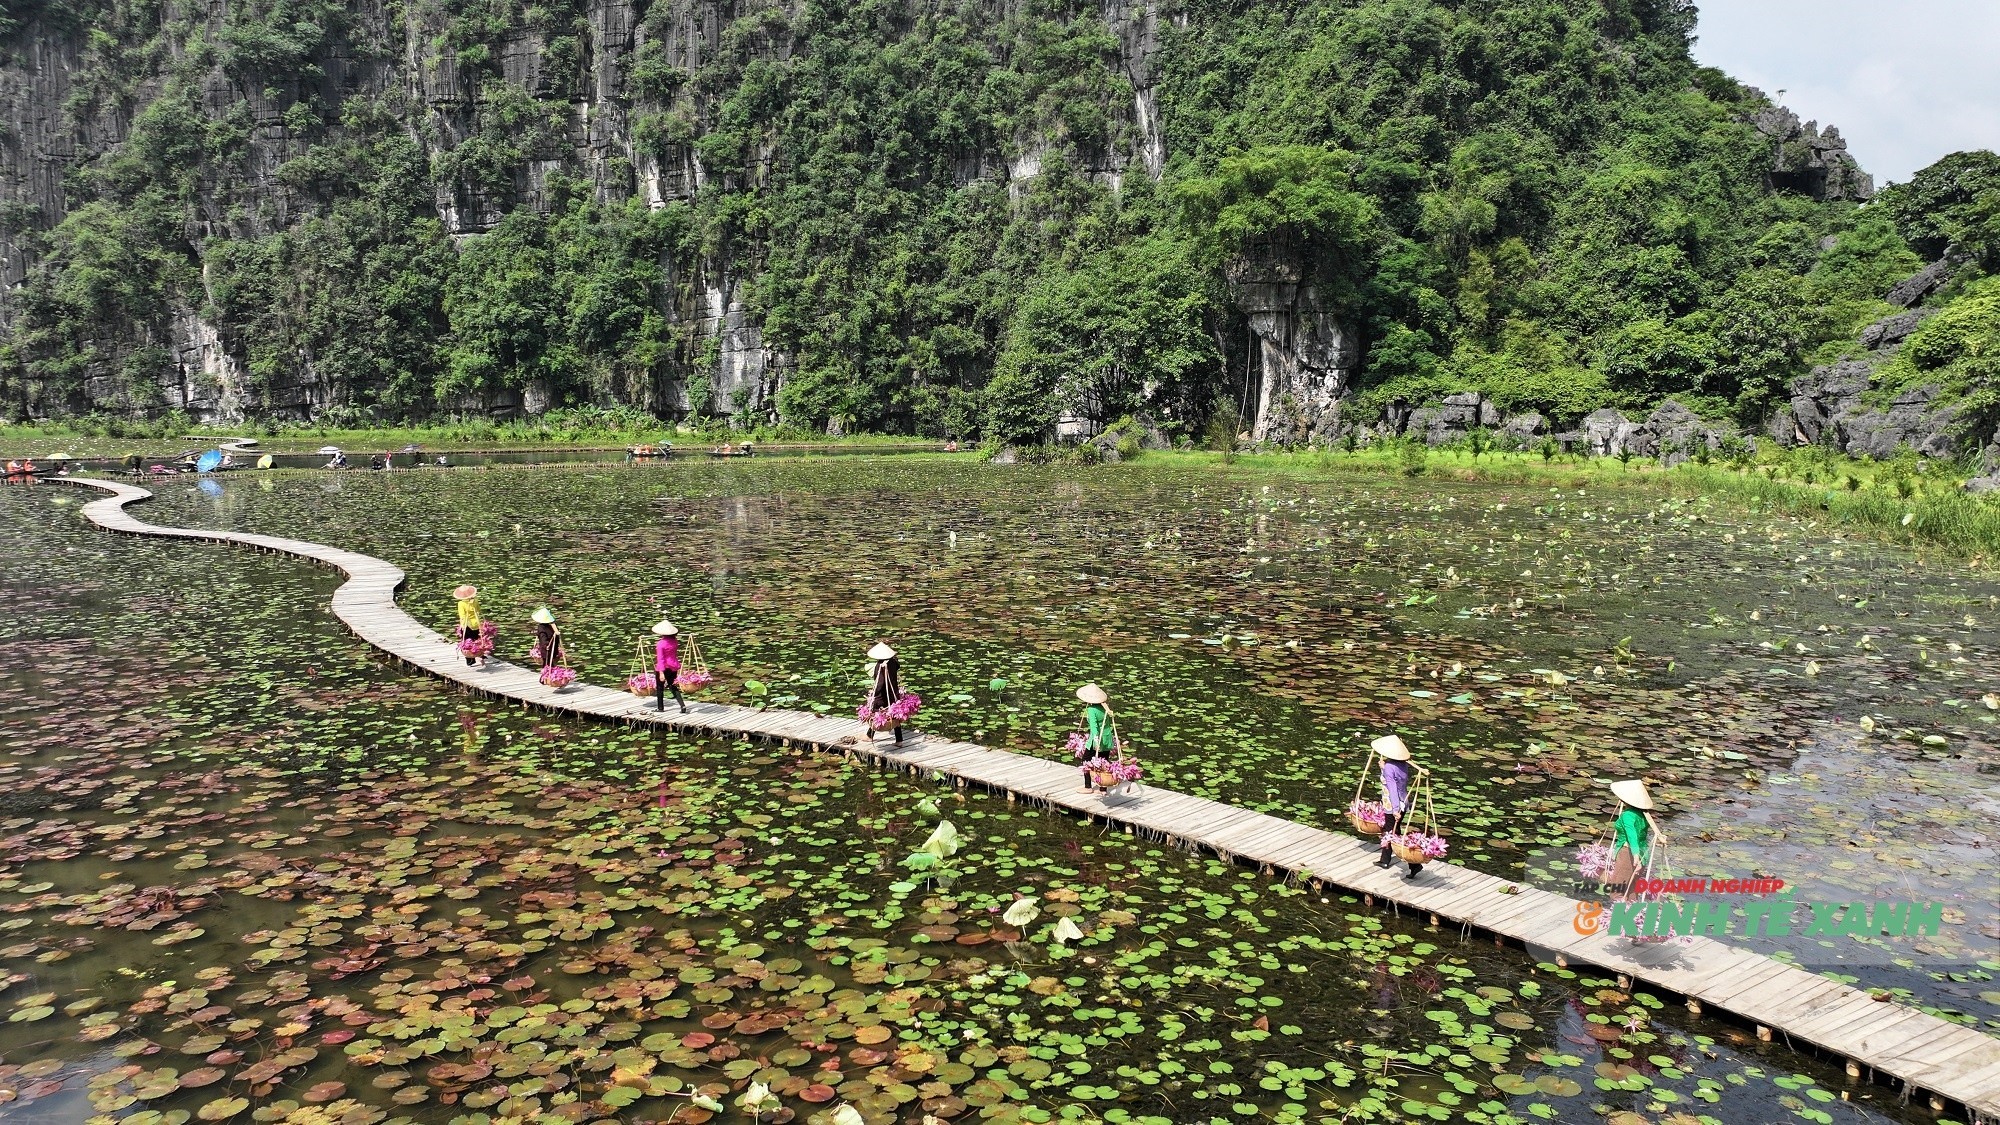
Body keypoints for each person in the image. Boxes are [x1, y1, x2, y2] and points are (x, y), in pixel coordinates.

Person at [1371, 734, 1427, 879]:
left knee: (1391, 833)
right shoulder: (1402, 765)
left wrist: (1395, 810)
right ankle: (1386, 859)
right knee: (1392, 831)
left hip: (1393, 804)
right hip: (1404, 801)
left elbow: (1392, 789)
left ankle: (1412, 864)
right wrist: (1384, 768)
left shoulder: (1390, 767)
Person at [1607, 779, 1659, 897]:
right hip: (1643, 854)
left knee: (1617, 892)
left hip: (1628, 854)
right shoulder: (1644, 814)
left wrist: (1635, 855)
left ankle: (1618, 910)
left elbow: (1632, 835)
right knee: (1631, 891)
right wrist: (1638, 855)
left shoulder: (1627, 815)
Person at [1076, 684, 1116, 790]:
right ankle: (1103, 788)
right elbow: (1107, 724)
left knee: (1086, 760)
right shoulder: (1105, 707)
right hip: (1107, 738)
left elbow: (1094, 727)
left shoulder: (1091, 709)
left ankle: (1088, 787)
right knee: (1104, 762)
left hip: (1096, 739)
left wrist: (1096, 740)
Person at [863, 641, 905, 745]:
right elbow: (897, 666)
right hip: (893, 693)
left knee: (876, 713)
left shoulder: (881, 665)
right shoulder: (893, 662)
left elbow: (880, 683)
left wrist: (873, 694)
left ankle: (869, 736)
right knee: (894, 714)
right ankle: (899, 740)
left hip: (882, 695)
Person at [652, 619, 688, 714]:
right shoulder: (674, 642)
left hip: (664, 667)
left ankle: (660, 708)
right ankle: (682, 705)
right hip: (673, 667)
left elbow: (660, 659)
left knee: (660, 687)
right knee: (672, 685)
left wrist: (661, 672)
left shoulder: (660, 644)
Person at [454, 585, 485, 667]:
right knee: (477, 640)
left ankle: (470, 661)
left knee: (467, 642)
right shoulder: (475, 600)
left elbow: (462, 616)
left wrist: (462, 626)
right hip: (476, 623)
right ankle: (480, 655)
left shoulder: (461, 603)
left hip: (467, 624)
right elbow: (478, 610)